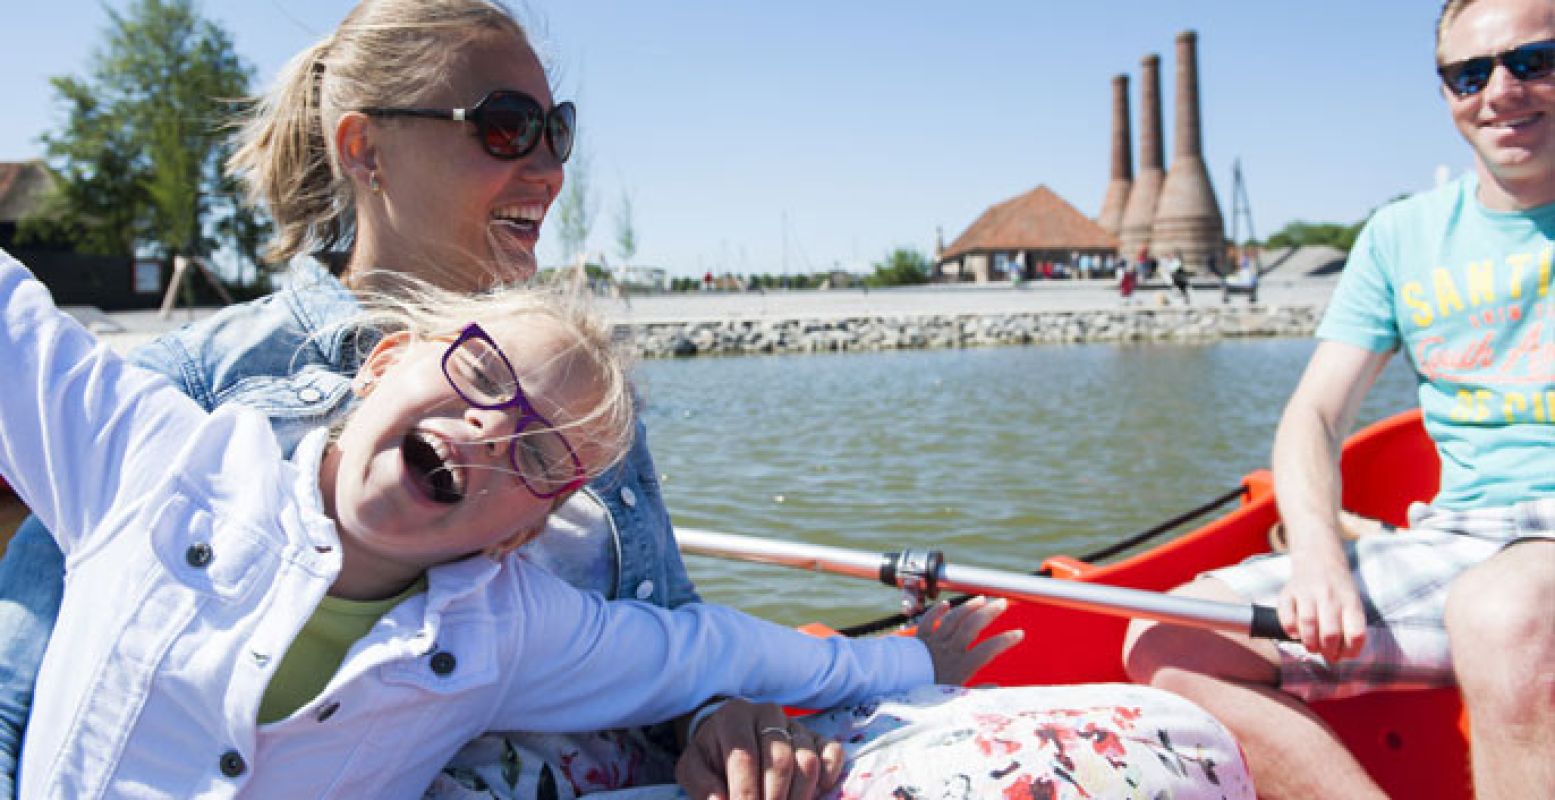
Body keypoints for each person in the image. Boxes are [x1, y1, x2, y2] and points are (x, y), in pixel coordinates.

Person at [0, 4, 1253, 799]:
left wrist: (734, 720)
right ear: (361, 145)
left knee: (1128, 742)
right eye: (505, 127)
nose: (548, 164)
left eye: (559, 130)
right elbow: (25, 689)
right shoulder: (186, 406)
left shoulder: (589, 409)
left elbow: (671, 640)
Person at [0, 248, 1014, 796]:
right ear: (384, 360)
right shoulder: (154, 458)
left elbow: (709, 646)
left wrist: (912, 665)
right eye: (480, 371)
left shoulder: (508, 625)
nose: (489, 426)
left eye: (539, 452)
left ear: (519, 533)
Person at [1122, 1, 1555, 797]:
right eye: (1468, 74)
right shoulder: (1399, 236)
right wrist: (1317, 555)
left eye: (1533, 61)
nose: (1498, 90)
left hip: (1531, 566)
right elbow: (1315, 415)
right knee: (1167, 636)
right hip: (1454, 543)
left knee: (1503, 612)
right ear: (1446, 93)